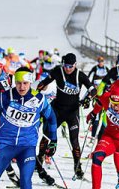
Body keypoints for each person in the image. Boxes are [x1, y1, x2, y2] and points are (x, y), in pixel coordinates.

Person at [38, 51, 95, 180]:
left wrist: (88, 99)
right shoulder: (58, 71)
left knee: (74, 141)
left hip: (72, 112)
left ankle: (77, 167)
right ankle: (39, 160)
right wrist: (38, 89)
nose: (68, 69)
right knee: (47, 135)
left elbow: (93, 89)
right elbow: (45, 82)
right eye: (66, 66)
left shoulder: (80, 75)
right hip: (57, 110)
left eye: (71, 66)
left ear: (75, 65)